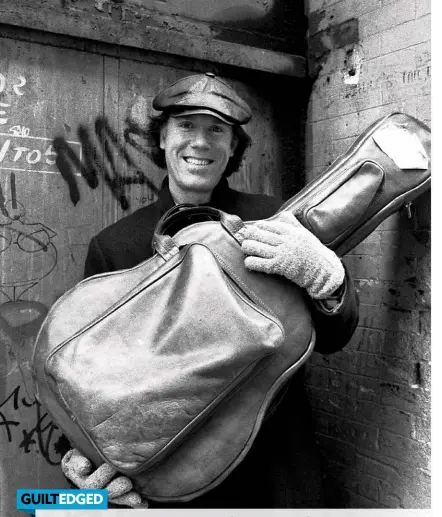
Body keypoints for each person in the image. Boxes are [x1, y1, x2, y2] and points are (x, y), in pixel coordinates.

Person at [60, 72, 359, 508]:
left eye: (216, 130)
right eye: (186, 126)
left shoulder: (274, 222)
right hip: (171, 472)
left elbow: (334, 337)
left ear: (233, 148)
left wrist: (326, 279)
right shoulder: (115, 245)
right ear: (162, 139)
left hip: (276, 471)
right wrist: (82, 461)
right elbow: (84, 370)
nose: (200, 142)